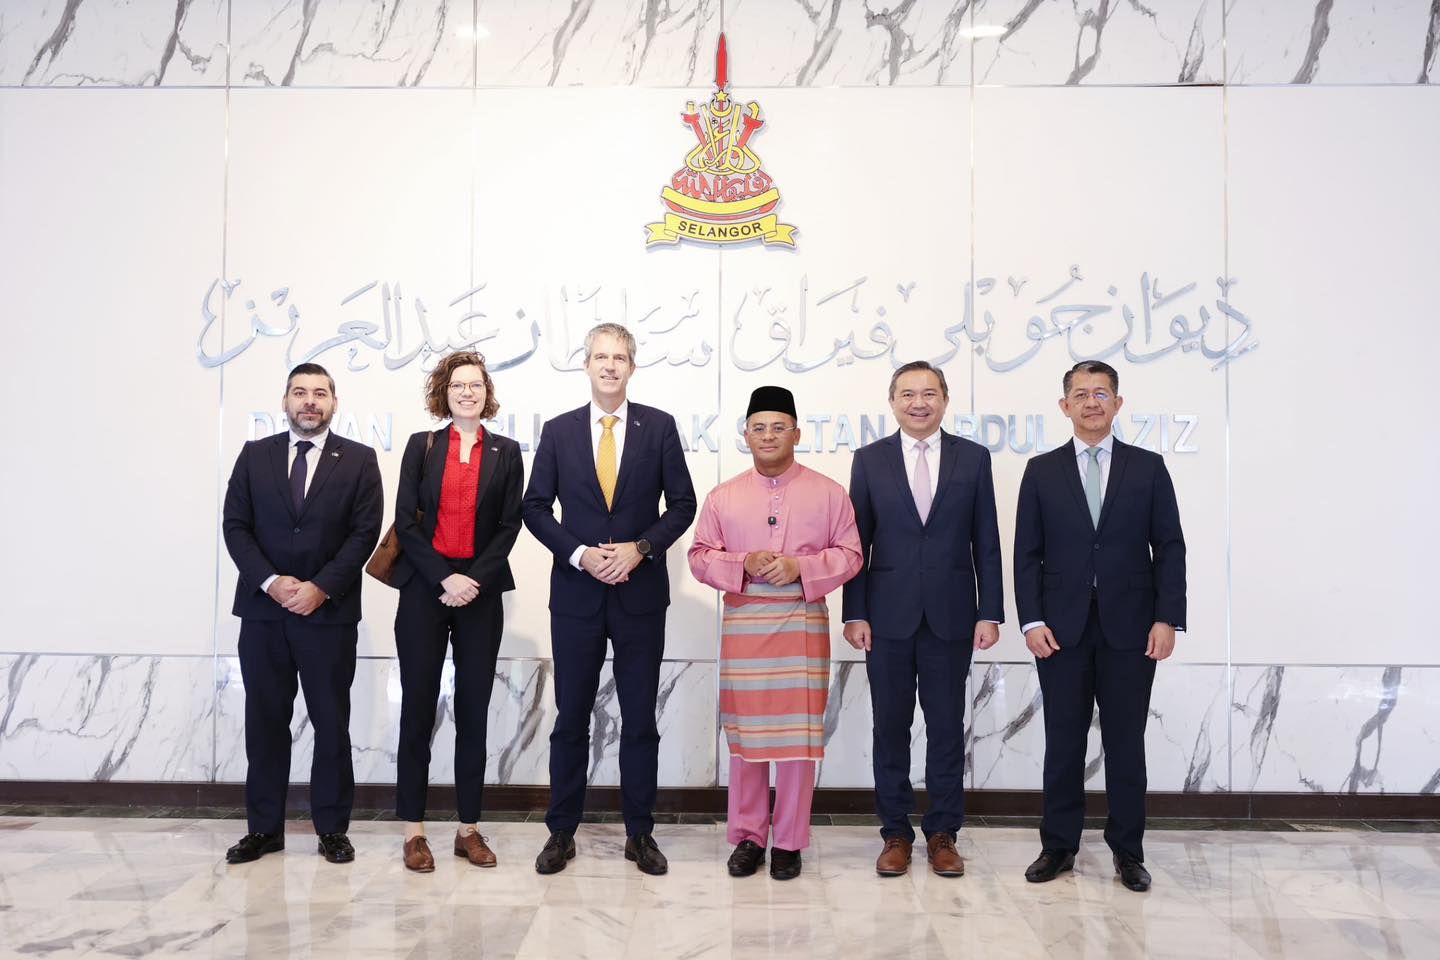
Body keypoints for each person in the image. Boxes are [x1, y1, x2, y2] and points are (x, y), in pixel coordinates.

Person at [522, 322, 697, 876]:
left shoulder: (659, 427)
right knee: (571, 716)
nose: (610, 366)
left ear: (632, 366)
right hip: (576, 595)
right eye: (601, 356)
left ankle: (640, 833)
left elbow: (683, 505)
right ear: (587, 364)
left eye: (619, 357)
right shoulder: (559, 431)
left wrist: (639, 549)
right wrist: (579, 554)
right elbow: (534, 507)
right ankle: (561, 832)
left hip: (639, 596)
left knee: (640, 717)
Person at [1014, 360, 1186, 892]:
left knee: (1126, 744)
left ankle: (1128, 852)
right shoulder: (1041, 471)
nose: (1092, 402)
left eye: (1102, 393)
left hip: (1131, 629)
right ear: (1064, 405)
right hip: (1059, 630)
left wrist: (1167, 618)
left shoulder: (1148, 467)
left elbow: (1170, 546)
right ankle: (1058, 846)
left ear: (1118, 403)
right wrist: (1032, 620)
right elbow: (1027, 553)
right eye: (1082, 394)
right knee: (1063, 741)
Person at [689, 386, 862, 881]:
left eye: (778, 427)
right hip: (745, 626)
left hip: (801, 625)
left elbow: (851, 554)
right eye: (759, 428)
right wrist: (743, 562)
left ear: (797, 434)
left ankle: (788, 841)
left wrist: (800, 567)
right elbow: (699, 556)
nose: (768, 436)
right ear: (746, 436)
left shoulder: (829, 493)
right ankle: (748, 837)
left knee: (797, 742)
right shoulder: (723, 496)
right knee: (746, 740)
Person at [842, 361, 1004, 878]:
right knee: (890, 727)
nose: (919, 402)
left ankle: (942, 833)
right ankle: (895, 832)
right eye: (908, 394)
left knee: (946, 729)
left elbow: (987, 541)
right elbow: (856, 543)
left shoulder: (973, 458)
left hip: (952, 616)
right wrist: (854, 611)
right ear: (892, 402)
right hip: (885, 617)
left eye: (929, 393)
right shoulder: (869, 460)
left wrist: (991, 611)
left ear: (945, 400)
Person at [221, 362, 383, 865]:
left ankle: (332, 829)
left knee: (331, 724)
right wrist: (270, 582)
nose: (309, 401)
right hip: (263, 615)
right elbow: (235, 525)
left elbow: (365, 532)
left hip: (328, 616)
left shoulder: (359, 460)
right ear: (285, 401)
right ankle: (264, 829)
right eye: (299, 392)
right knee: (265, 723)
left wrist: (321, 588)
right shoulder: (255, 455)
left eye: (319, 393)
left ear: (334, 402)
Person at [390, 351, 523, 873]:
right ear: (443, 394)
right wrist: (443, 578)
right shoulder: (421, 446)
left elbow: (510, 525)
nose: (467, 392)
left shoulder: (506, 452)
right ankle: (414, 832)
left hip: (480, 593)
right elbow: (405, 521)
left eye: (475, 385)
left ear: (487, 393)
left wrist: (473, 580)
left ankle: (468, 829)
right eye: (457, 385)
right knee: (417, 710)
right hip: (425, 589)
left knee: (473, 711)